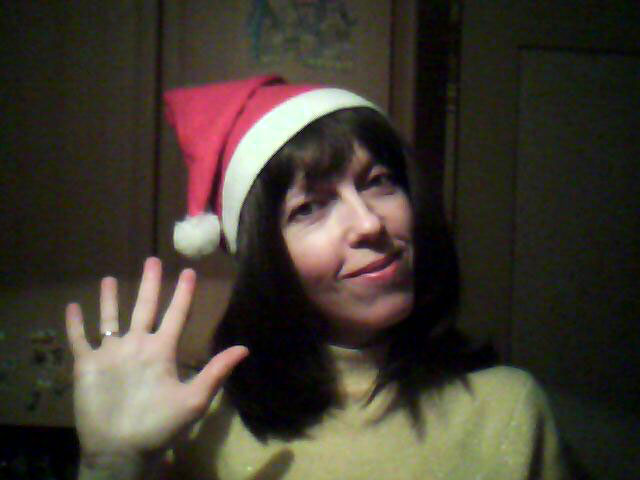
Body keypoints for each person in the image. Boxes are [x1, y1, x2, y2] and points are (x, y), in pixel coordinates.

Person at [66, 75, 568, 479]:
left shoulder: (509, 412)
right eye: (309, 208)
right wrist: (111, 465)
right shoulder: (201, 430)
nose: (369, 223)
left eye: (379, 182)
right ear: (265, 259)